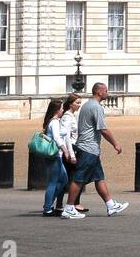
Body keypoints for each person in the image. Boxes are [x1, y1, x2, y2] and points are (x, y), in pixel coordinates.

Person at [61, 82, 129, 219]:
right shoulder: (96, 107)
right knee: (78, 178)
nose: (108, 93)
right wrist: (115, 143)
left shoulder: (87, 105)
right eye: (106, 91)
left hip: (90, 148)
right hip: (88, 148)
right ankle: (68, 208)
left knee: (99, 178)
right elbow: (102, 129)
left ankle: (110, 205)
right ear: (99, 92)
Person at [40, 98, 72, 216]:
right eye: (62, 108)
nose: (63, 110)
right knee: (53, 181)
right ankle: (47, 208)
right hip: (54, 155)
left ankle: (48, 204)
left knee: (64, 179)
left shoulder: (51, 121)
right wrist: (66, 150)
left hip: (54, 155)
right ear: (57, 110)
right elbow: (57, 138)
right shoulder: (54, 122)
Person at [57, 93, 85, 214]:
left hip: (73, 148)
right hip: (70, 149)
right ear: (70, 104)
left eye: (80, 102)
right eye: (77, 102)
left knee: (72, 177)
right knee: (70, 178)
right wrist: (71, 154)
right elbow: (66, 136)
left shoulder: (72, 115)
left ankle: (73, 203)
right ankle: (63, 204)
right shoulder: (67, 117)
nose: (79, 105)